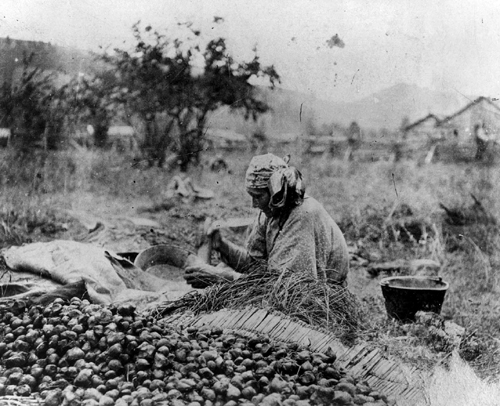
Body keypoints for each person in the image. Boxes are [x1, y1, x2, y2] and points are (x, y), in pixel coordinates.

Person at [184, 153, 350, 288]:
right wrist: (222, 246)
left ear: (276, 191)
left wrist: (224, 278)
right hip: (284, 287)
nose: (254, 204)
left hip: (320, 300)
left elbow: (289, 289)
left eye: (258, 196)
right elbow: (256, 265)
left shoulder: (302, 215)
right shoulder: (271, 211)